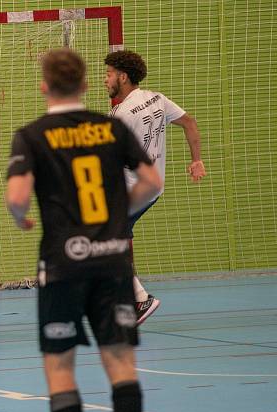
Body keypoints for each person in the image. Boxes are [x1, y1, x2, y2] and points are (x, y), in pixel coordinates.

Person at [5, 48, 162, 412]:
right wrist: (117, 216)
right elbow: (151, 180)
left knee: (60, 369)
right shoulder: (112, 127)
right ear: (88, 84)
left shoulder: (32, 134)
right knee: (120, 363)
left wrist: (22, 217)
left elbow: (15, 198)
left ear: (44, 86)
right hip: (113, 262)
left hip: (63, 265)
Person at [104, 50, 206, 324]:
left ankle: (138, 298)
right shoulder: (157, 99)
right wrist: (196, 161)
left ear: (123, 77)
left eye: (109, 74)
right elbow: (189, 123)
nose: (106, 79)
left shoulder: (121, 113)